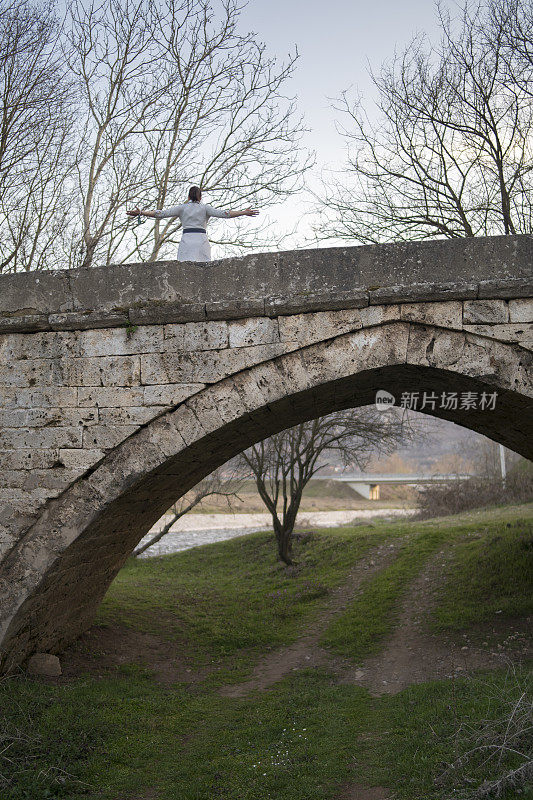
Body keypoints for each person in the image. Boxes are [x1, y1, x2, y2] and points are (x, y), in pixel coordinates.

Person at [126, 186, 259, 263]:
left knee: (185, 266)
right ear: (200, 197)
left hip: (187, 240)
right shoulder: (205, 208)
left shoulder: (182, 208)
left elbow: (160, 213)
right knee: (204, 266)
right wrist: (243, 212)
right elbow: (225, 214)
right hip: (201, 240)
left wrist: (141, 212)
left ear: (188, 196)